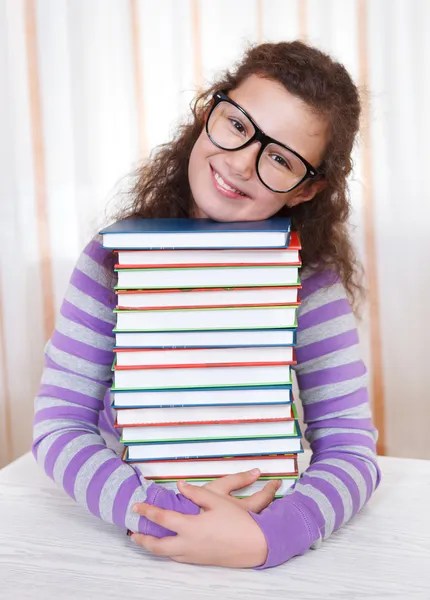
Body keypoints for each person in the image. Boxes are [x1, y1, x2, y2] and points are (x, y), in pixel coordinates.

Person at [32, 41, 380, 569]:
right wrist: (160, 514)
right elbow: (59, 426)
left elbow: (352, 448)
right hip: (128, 540)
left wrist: (271, 537)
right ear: (206, 112)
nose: (241, 165)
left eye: (281, 160)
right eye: (238, 126)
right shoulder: (113, 261)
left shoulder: (309, 282)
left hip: (259, 526)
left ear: (306, 191)